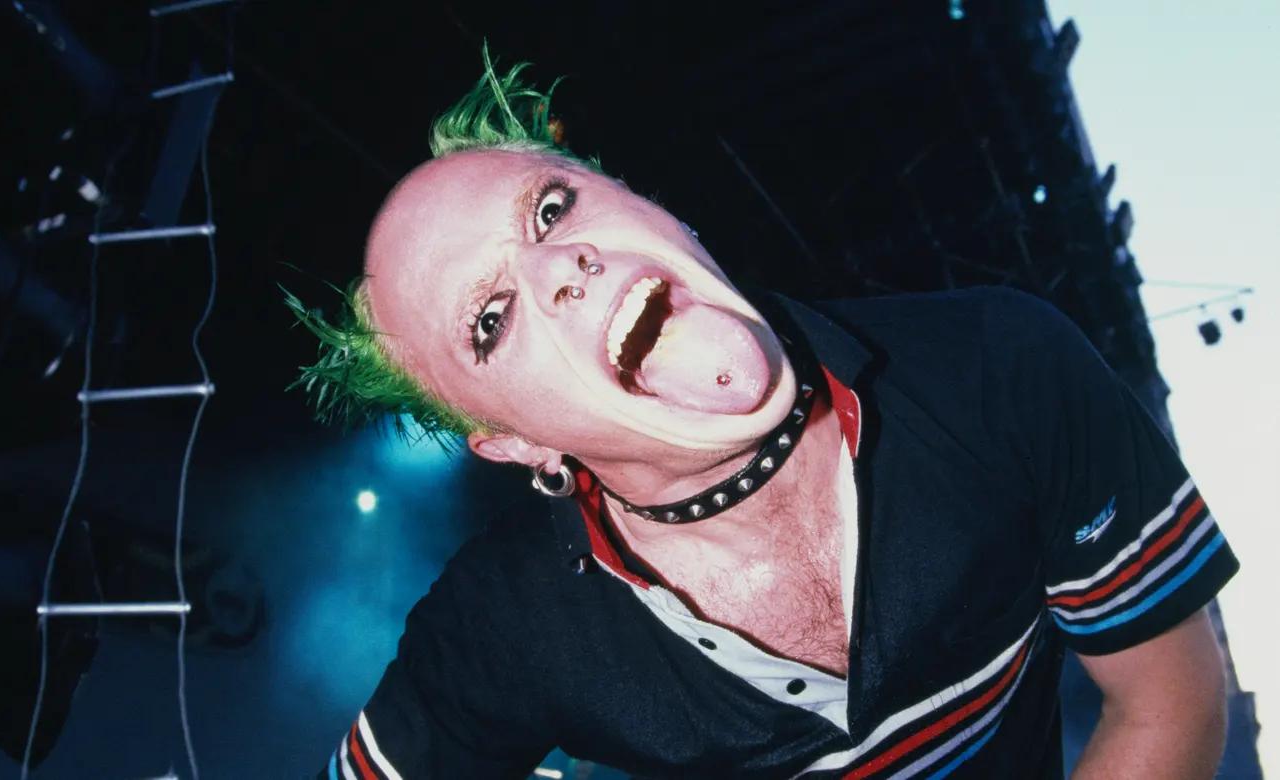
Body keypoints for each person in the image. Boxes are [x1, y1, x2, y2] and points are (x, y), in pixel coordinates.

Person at [290, 51, 1238, 779]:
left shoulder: (999, 366)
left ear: (647, 206)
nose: (561, 268)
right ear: (514, 443)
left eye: (550, 209)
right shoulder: (500, 626)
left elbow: (1170, 701)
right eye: (490, 322)